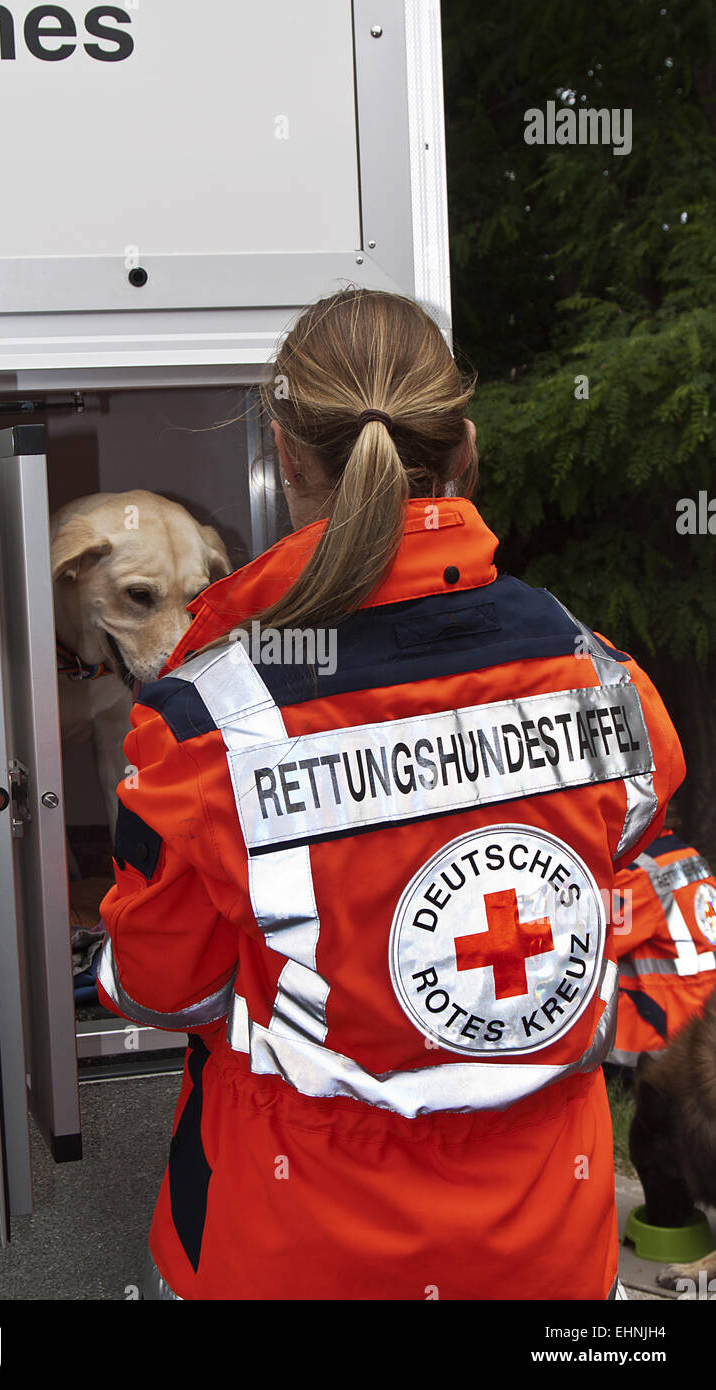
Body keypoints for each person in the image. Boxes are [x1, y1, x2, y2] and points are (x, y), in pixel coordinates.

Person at [96, 288, 685, 1300]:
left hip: (291, 1249)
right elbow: (634, 913)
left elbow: (162, 987)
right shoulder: (603, 680)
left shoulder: (203, 724)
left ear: (285, 455)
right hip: (544, 1243)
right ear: (460, 444)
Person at [607, 807, 716, 1066]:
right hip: (704, 1022)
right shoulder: (689, 857)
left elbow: (588, 944)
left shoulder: (636, 875)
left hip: (667, 1038)